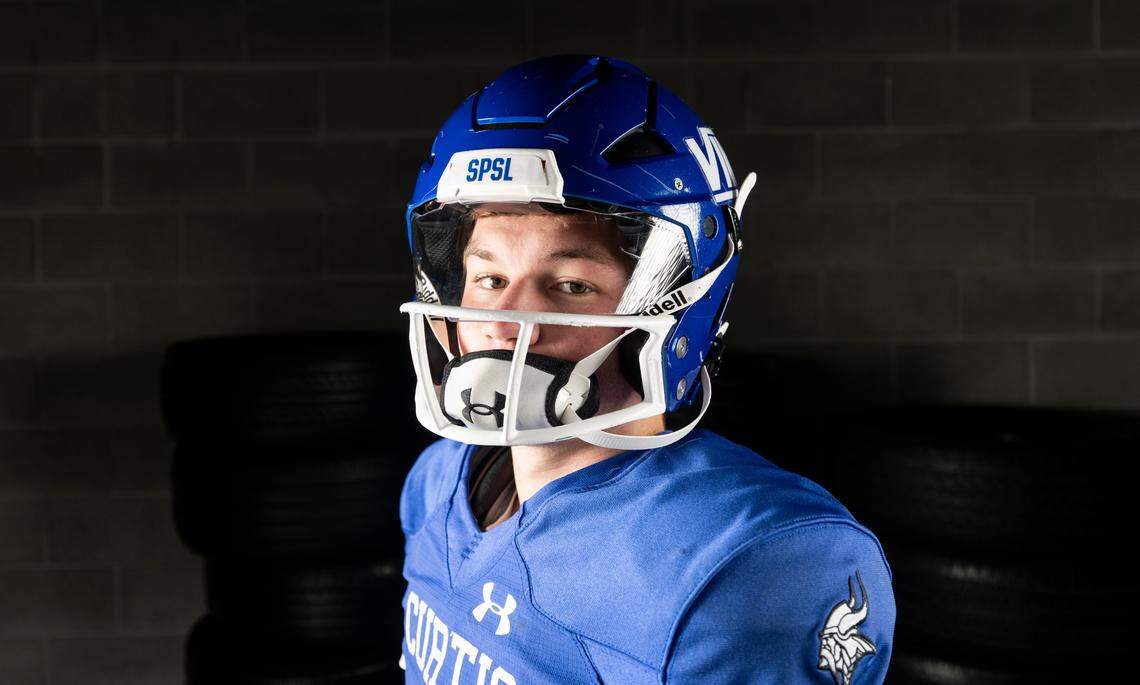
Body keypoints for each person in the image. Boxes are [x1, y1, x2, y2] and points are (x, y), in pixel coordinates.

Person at [397, 54, 895, 684]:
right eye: (489, 277)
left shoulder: (751, 564)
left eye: (570, 284)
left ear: (674, 307)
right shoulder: (437, 481)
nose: (503, 320)